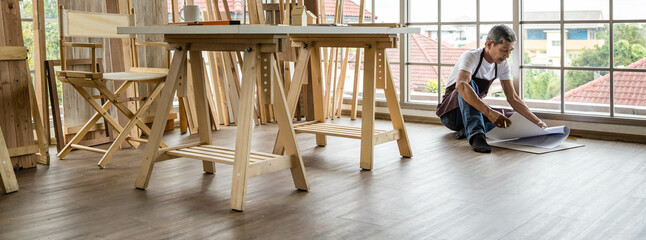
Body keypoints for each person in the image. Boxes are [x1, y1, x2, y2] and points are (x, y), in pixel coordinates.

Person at [435, 25, 547, 153]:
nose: (507, 55)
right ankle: (477, 136)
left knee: (510, 117)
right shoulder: (471, 56)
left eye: (510, 51)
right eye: (504, 50)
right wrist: (489, 112)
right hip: (451, 114)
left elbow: (513, 98)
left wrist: (537, 122)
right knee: (469, 84)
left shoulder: (502, 65)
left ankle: (468, 129)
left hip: (474, 114)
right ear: (489, 44)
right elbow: (461, 85)